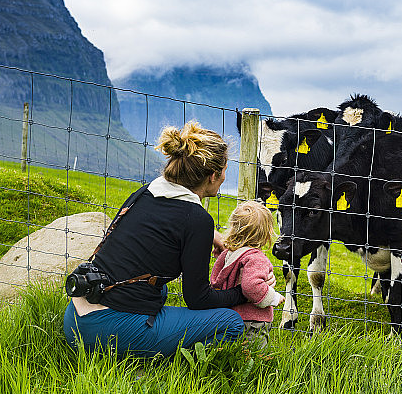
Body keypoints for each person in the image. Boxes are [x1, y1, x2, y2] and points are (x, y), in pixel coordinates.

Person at [63, 121, 272, 358]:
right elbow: (199, 299)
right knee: (230, 322)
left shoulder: (145, 193)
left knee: (159, 292)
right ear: (213, 176)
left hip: (75, 322)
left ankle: (146, 341)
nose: (225, 176)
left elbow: (164, 227)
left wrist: (212, 237)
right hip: (106, 333)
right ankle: (155, 364)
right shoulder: (197, 220)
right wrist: (247, 292)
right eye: (225, 170)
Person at [210, 201, 284, 349]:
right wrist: (273, 297)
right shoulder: (256, 258)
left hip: (229, 316)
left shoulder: (228, 254)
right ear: (266, 234)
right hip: (253, 321)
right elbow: (251, 287)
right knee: (253, 357)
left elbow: (216, 280)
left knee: (229, 353)